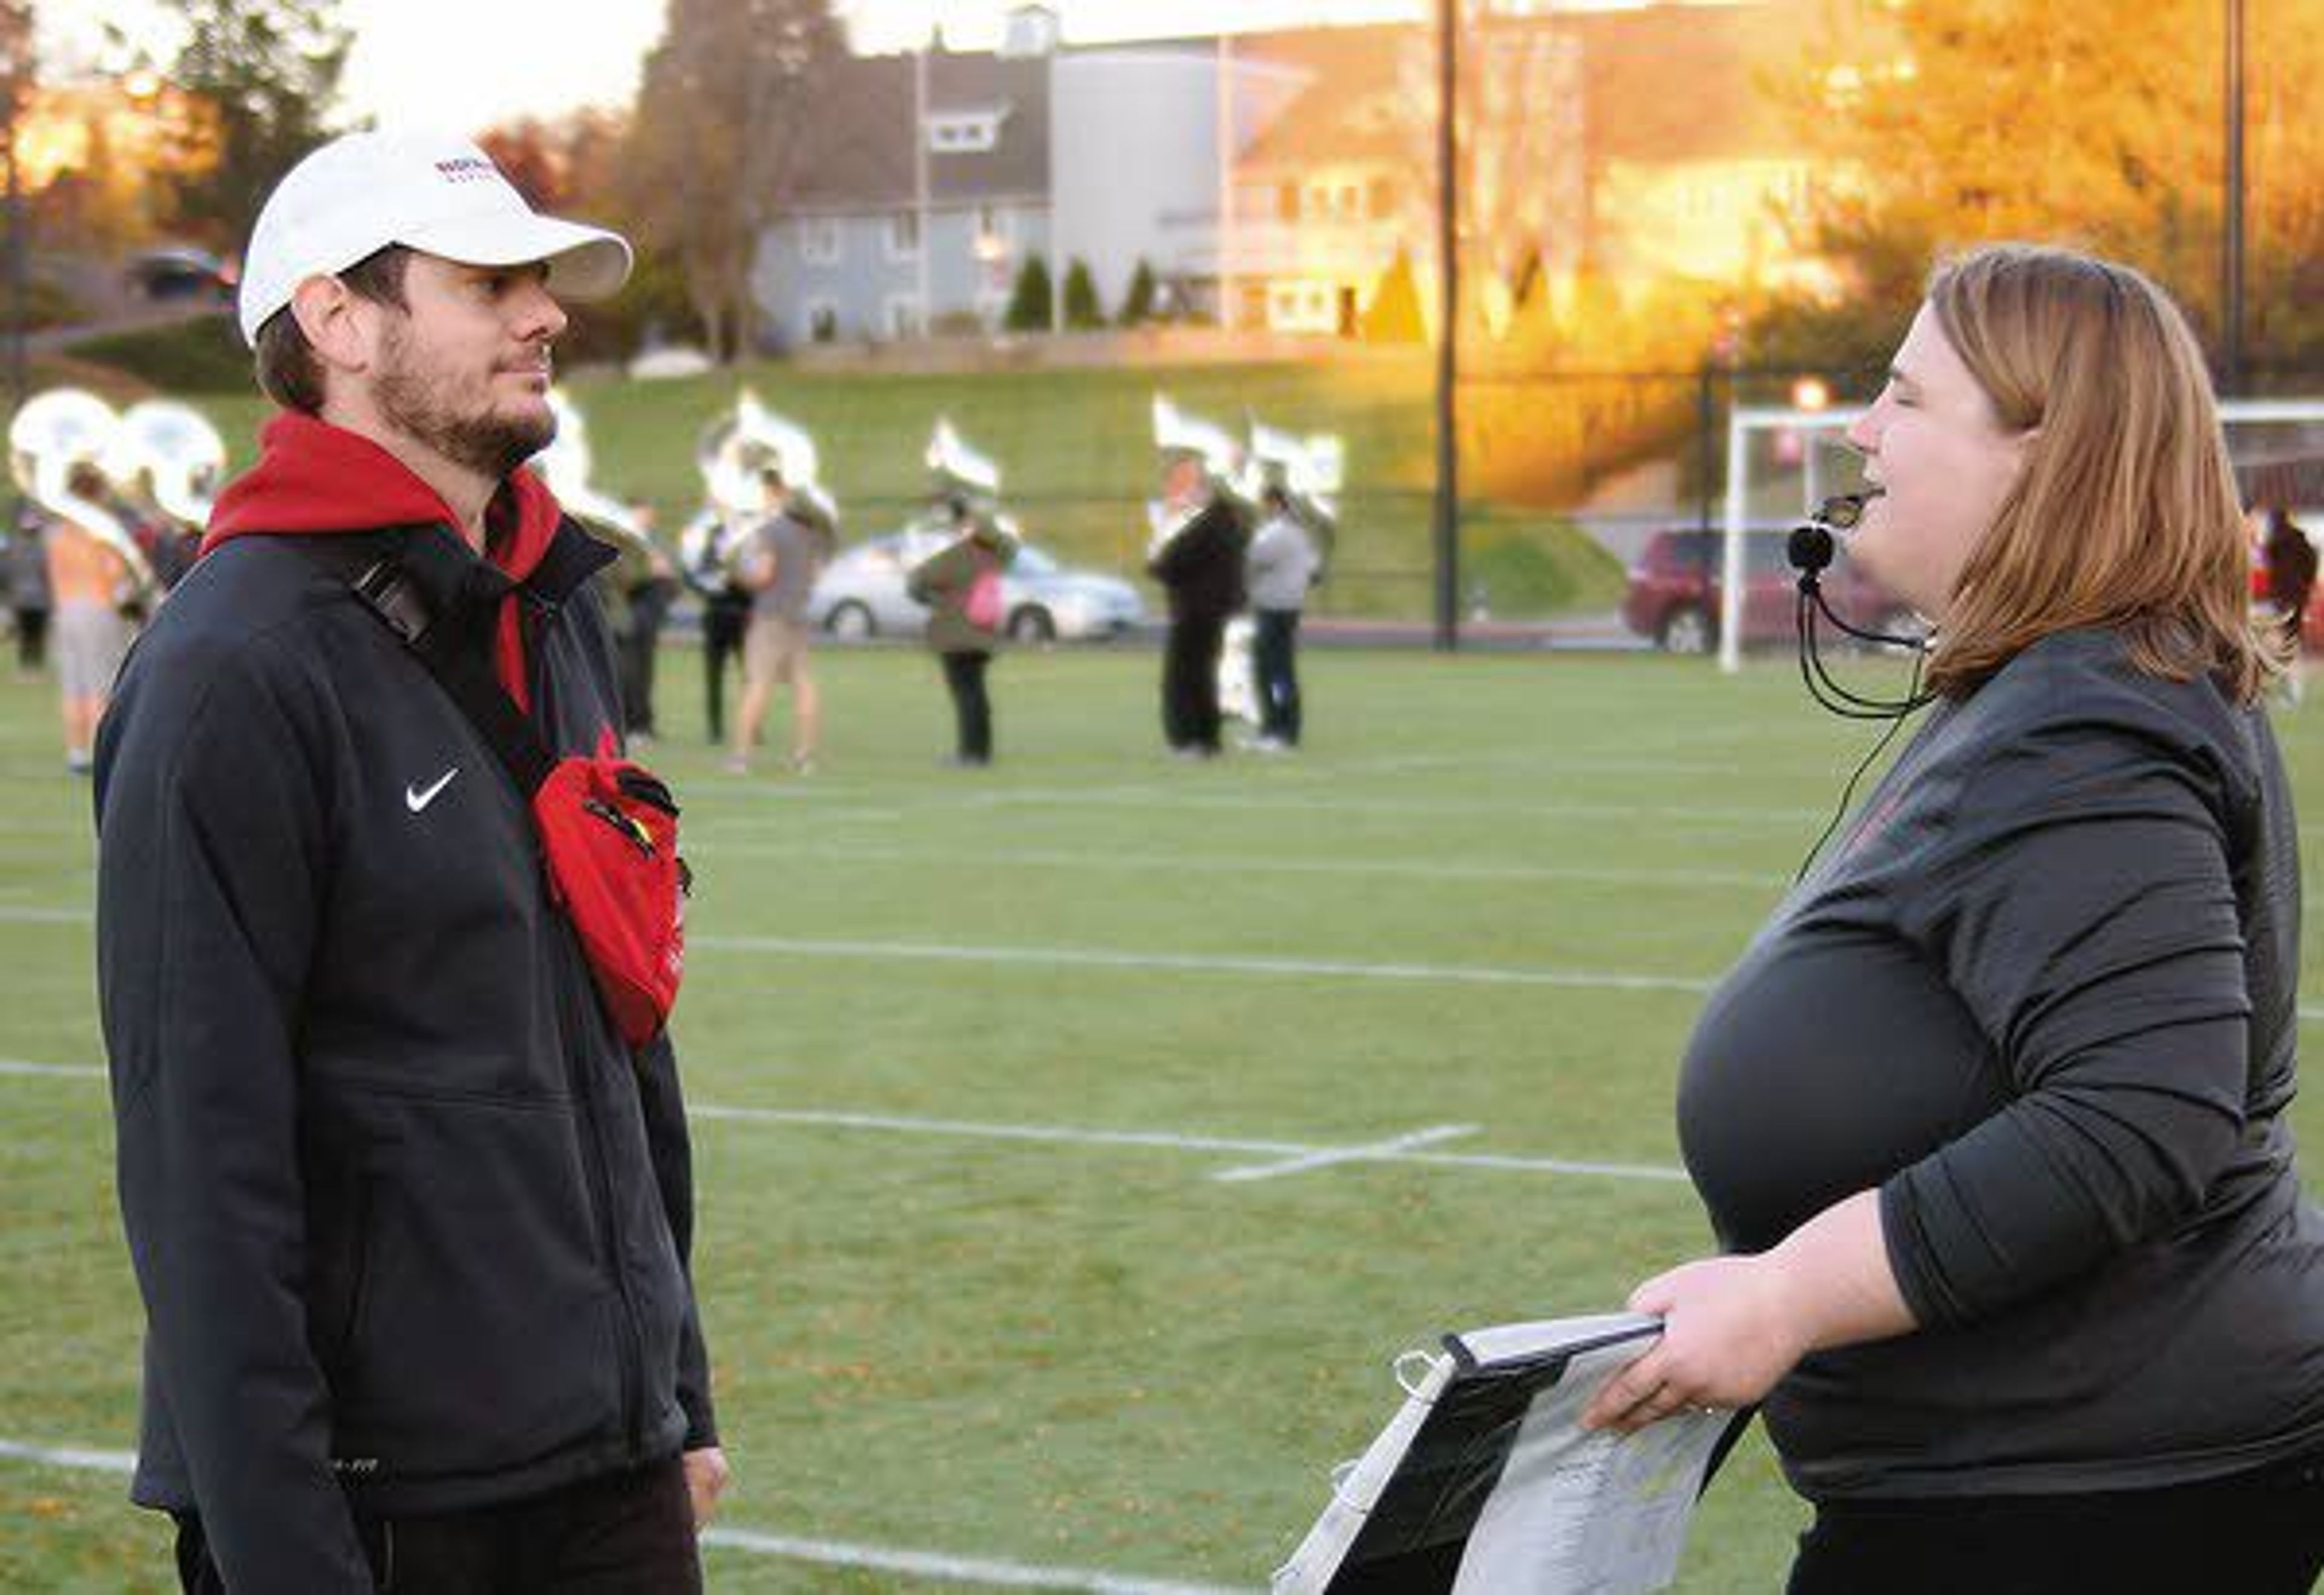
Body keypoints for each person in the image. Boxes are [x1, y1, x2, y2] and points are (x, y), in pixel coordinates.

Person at [1579, 244, 2324, 1594]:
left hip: (2073, 1505)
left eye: (1907, 398)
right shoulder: (2074, 688)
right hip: (2064, 1485)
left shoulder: (2087, 718)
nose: (1862, 428)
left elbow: (2142, 1109)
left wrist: (1790, 1294)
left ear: (2045, 455)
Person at [93, 129, 726, 1593]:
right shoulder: (229, 669)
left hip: (607, 1462)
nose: (545, 312)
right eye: (490, 280)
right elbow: (200, 1167)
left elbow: (622, 1036)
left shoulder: (552, 607)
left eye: (542, 281)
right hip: (386, 1507)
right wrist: (286, 1551)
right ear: (336, 321)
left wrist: (672, 1388)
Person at [726, 465, 826, 775]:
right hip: (798, 615)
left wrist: (739, 575)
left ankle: (740, 757)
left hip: (770, 617)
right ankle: (805, 756)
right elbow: (814, 574)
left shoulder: (770, 532)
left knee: (757, 684)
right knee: (804, 684)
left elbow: (764, 575)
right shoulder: (809, 534)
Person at [1147, 456, 1246, 758]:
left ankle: (1187, 739)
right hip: (1215, 610)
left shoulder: (1205, 526)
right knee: (1204, 675)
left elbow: (1166, 564)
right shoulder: (1232, 525)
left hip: (1193, 610)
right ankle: (1208, 738)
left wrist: (1159, 555)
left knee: (1182, 677)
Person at [908, 495, 1017, 766]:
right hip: (984, 632)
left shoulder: (952, 556)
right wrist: (979, 515)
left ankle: (969, 754)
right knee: (977, 695)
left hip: (955, 635)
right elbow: (1008, 543)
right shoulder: (995, 554)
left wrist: (935, 601)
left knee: (966, 696)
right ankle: (981, 752)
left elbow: (916, 583)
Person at [44, 466, 138, 773]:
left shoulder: (57, 532)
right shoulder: (99, 531)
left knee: (75, 684)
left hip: (65, 609)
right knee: (102, 682)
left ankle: (77, 752)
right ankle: (102, 754)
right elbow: (114, 573)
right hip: (97, 607)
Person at [1244, 484, 1321, 750]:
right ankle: (1279, 730)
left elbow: (1251, 560)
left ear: (1276, 504)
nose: (1263, 509)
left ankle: (1279, 732)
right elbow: (1315, 573)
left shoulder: (1275, 533)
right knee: (1280, 671)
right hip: (1288, 609)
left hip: (1273, 610)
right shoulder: (1301, 534)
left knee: (1271, 672)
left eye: (1266, 503)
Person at [681, 511, 753, 745]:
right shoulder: (711, 544)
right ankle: (715, 729)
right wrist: (710, 591)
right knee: (714, 675)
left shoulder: (748, 542)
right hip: (716, 614)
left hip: (742, 614)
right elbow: (692, 576)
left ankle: (752, 726)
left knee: (749, 676)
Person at [2260, 504, 2316, 704]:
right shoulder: (2300, 541)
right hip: (2298, 598)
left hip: (2282, 600)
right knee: (2290, 643)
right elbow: (2312, 564)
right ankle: (2291, 689)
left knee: (2276, 642)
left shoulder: (2276, 543)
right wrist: (2306, 587)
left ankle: (2285, 688)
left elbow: (2269, 566)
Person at [5, 498, 51, 676]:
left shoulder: (16, 547)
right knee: (32, 634)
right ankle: (30, 666)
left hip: (28, 598)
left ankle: (30, 667)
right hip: (30, 598)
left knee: (31, 634)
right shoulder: (35, 548)